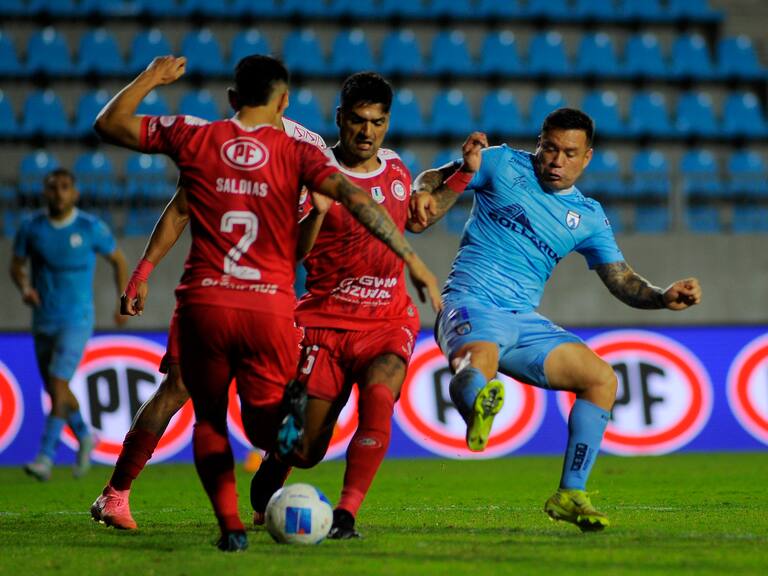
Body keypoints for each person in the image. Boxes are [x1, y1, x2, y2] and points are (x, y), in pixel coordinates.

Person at [91, 54, 440, 551]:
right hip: (268, 301)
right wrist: (416, 261)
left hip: (220, 299)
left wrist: (151, 77)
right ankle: (123, 492)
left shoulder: (202, 136)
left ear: (235, 99)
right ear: (285, 100)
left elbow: (159, 183)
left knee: (208, 407)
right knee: (217, 403)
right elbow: (358, 201)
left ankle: (216, 503)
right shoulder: (302, 149)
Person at [409, 108, 702, 532]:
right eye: (549, 148)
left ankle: (570, 494)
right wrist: (439, 180)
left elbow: (619, 280)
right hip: (470, 303)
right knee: (479, 361)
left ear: (587, 158)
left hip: (525, 323)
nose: (556, 160)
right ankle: (478, 406)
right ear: (539, 142)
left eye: (569, 152)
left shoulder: (588, 216)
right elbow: (430, 191)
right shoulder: (501, 162)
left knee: (601, 378)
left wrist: (661, 296)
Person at [249, 72, 488, 539]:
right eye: (358, 121)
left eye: (377, 122)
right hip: (325, 322)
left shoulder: (396, 168)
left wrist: (463, 172)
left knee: (380, 399)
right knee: (306, 452)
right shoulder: (316, 175)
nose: (367, 132)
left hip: (387, 320)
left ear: (387, 123)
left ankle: (345, 514)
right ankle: (279, 460)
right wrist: (317, 212)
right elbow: (293, 253)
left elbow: (417, 221)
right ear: (340, 119)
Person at [90, 117, 328, 532]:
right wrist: (142, 272)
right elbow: (185, 208)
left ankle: (261, 495)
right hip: (225, 292)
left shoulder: (235, 142)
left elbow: (183, 208)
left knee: (287, 398)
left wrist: (143, 272)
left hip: (259, 297)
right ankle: (116, 494)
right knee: (184, 388)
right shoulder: (296, 149)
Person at [10, 168, 127, 481]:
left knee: (59, 384)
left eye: (64, 187)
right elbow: (16, 266)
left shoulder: (91, 227)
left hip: (77, 320)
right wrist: (24, 289)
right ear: (44, 193)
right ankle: (85, 436)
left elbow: (118, 260)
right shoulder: (31, 228)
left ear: (74, 193)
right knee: (54, 387)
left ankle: (45, 457)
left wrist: (123, 299)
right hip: (43, 319)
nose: (58, 193)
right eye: (52, 188)